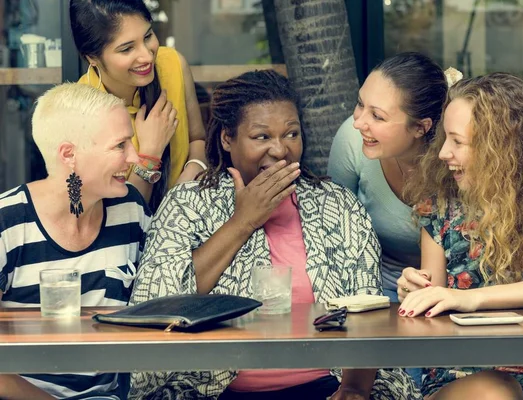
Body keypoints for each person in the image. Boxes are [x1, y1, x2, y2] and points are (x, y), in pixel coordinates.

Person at [127, 70, 421, 400]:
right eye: (262, 137)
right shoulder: (188, 204)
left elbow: (368, 311)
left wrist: (353, 389)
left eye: (291, 134)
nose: (280, 150)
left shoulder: (336, 204)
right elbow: (159, 306)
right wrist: (242, 222)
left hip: (329, 385)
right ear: (227, 138)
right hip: (213, 390)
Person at [397, 72, 523, 400]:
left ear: (501, 146)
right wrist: (414, 288)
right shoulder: (440, 208)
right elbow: (432, 293)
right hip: (458, 383)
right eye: (444, 138)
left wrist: (472, 298)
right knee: (496, 391)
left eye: (457, 141)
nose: (443, 152)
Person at [0, 83, 151, 399]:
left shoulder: (130, 209)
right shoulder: (7, 224)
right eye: (120, 145)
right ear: (69, 154)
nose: (135, 157)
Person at [327, 52, 449, 303]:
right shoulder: (352, 140)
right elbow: (333, 229)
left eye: (378, 116)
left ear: (420, 127)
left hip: (446, 293)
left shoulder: (452, 160)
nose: (359, 122)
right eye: (360, 104)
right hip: (369, 288)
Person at [70, 0, 207, 212]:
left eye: (148, 36)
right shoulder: (79, 110)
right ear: (92, 58)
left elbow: (197, 139)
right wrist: (151, 152)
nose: (147, 56)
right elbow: (118, 215)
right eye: (126, 49)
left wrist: (187, 182)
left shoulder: (172, 64)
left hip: (186, 216)